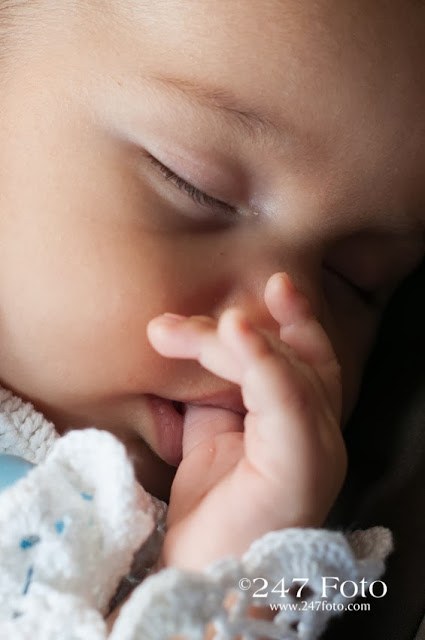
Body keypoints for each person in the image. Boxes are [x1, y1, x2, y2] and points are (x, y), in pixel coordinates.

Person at [0, 0, 424, 637]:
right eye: (196, 185)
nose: (273, 325)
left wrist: (217, 573)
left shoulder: (281, 559)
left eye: (354, 282)